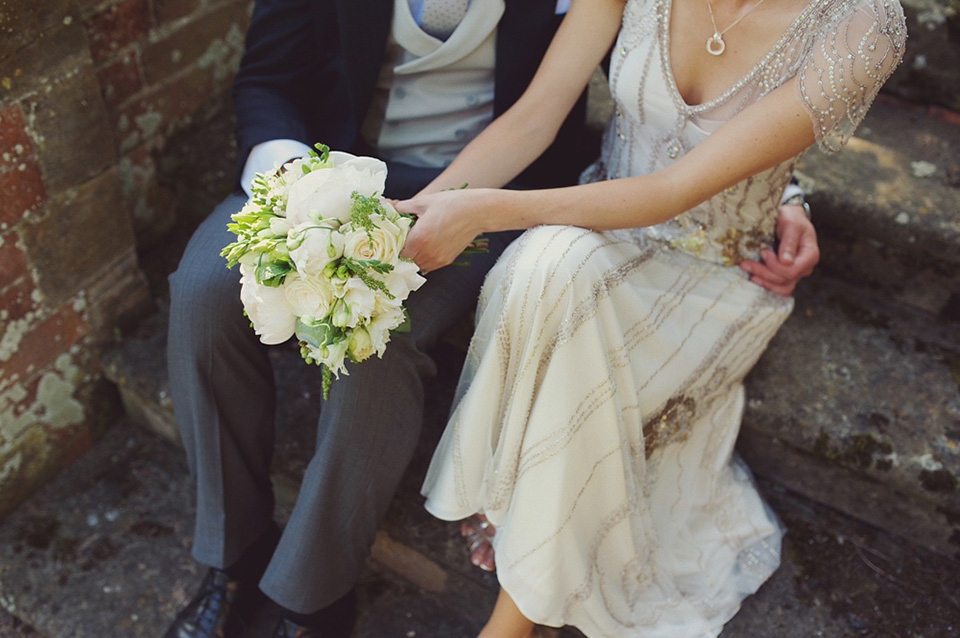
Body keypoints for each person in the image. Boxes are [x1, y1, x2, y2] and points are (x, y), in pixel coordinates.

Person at [163, 0, 820, 636]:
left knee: (378, 339)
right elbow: (268, 76)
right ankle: (231, 556)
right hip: (324, 167)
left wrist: (769, 186)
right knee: (199, 293)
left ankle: (312, 600)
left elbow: (677, 72)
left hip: (495, 189)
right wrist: (298, 195)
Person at [396, 0, 905, 635]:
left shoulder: (863, 27)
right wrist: (418, 211)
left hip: (712, 272)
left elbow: (674, 190)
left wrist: (481, 213)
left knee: (555, 264)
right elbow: (533, 119)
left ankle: (510, 622)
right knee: (552, 264)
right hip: (599, 227)